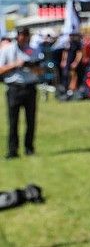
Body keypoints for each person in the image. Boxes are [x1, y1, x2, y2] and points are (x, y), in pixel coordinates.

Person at [0, 28, 42, 158]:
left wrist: (30, 66)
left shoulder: (33, 51)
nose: (24, 39)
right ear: (17, 37)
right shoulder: (7, 50)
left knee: (31, 120)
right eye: (22, 36)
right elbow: (1, 70)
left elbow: (40, 71)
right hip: (14, 88)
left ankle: (29, 148)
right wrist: (15, 65)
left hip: (29, 87)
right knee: (13, 120)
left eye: (26, 36)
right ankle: (13, 150)